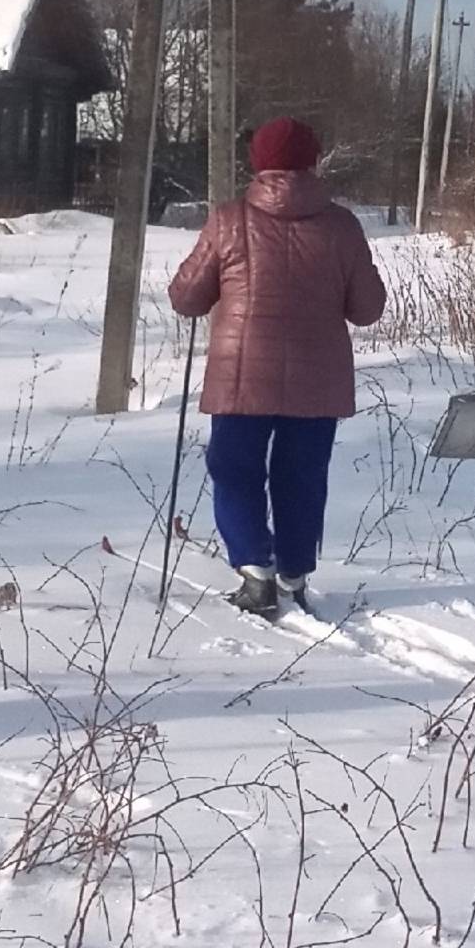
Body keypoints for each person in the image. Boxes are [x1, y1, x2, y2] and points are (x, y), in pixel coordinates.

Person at [167, 116, 387, 617]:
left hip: (242, 376)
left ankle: (254, 571)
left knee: (235, 470)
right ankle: (293, 573)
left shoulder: (229, 220)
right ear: (314, 161)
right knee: (303, 476)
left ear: (258, 163)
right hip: (317, 380)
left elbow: (186, 297)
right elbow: (368, 310)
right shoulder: (342, 225)